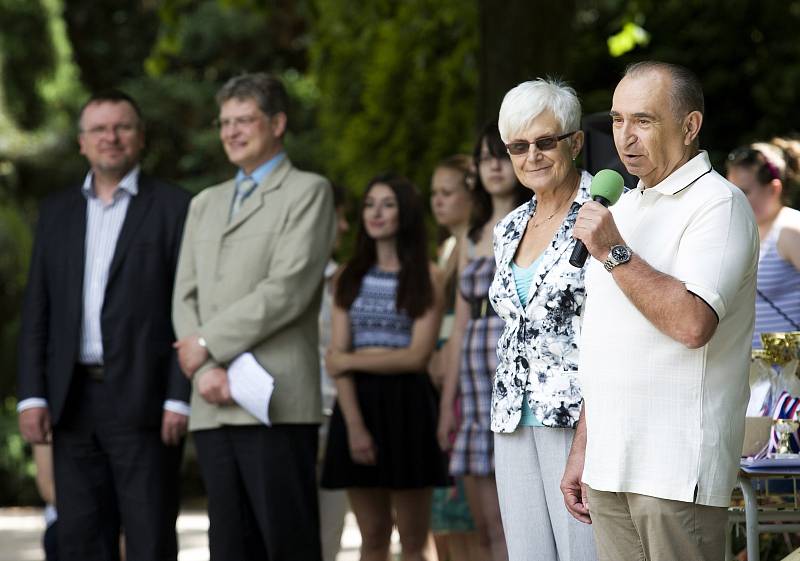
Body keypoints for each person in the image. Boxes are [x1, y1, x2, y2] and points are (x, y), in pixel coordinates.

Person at [563, 61, 759, 561]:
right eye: (617, 120)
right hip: (610, 466)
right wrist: (585, 446)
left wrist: (614, 253)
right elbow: (608, 345)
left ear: (690, 127)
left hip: (674, 469)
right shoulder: (621, 209)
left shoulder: (719, 204)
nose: (625, 137)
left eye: (644, 121)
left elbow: (693, 323)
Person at [17, 90, 191, 561]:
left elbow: (189, 307)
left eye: (122, 127)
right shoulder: (57, 212)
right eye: (99, 129)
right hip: (73, 402)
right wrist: (33, 393)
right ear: (82, 142)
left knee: (150, 535)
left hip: (146, 400)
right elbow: (39, 310)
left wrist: (180, 394)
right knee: (81, 538)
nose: (110, 138)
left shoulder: (176, 208)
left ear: (140, 138)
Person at [172, 72, 335, 561]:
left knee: (286, 544)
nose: (232, 131)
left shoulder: (308, 191)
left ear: (278, 123)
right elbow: (184, 295)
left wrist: (207, 345)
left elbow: (288, 289)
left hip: (276, 400)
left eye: (245, 120)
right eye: (225, 122)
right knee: (228, 547)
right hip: (212, 399)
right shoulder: (204, 203)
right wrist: (203, 366)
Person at [488, 78, 597, 561]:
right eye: (518, 146)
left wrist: (592, 432)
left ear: (574, 142)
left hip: (579, 418)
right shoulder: (508, 226)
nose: (531, 155)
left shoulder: (606, 211)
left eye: (545, 142)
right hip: (512, 417)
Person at [320, 174, 448, 561]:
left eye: (387, 204)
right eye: (370, 204)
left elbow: (416, 356)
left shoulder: (428, 276)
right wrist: (355, 427)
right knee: (372, 535)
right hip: (356, 405)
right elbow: (336, 361)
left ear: (405, 213)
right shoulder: (347, 276)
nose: (375, 213)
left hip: (408, 406)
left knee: (412, 539)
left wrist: (351, 359)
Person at [437, 122, 531, 561]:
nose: (494, 164)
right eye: (485, 157)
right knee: (488, 530)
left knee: (523, 529)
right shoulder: (470, 236)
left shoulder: (536, 221)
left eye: (501, 154)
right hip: (474, 395)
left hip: (520, 383)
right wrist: (446, 407)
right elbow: (457, 327)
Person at [428, 155, 480, 561]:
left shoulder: (476, 243)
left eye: (448, 193)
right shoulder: (447, 248)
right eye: (434, 194)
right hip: (442, 390)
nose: (438, 202)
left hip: (466, 393)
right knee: (444, 523)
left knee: (471, 522)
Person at [726, 138, 800, 345]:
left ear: (774, 189)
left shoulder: (790, 230)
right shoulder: (742, 231)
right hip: (754, 372)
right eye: (732, 191)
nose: (735, 199)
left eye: (745, 191)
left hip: (787, 372)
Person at [318, 182, 351, 561]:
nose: (344, 228)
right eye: (337, 217)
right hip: (288, 419)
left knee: (329, 537)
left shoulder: (344, 279)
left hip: (337, 417)